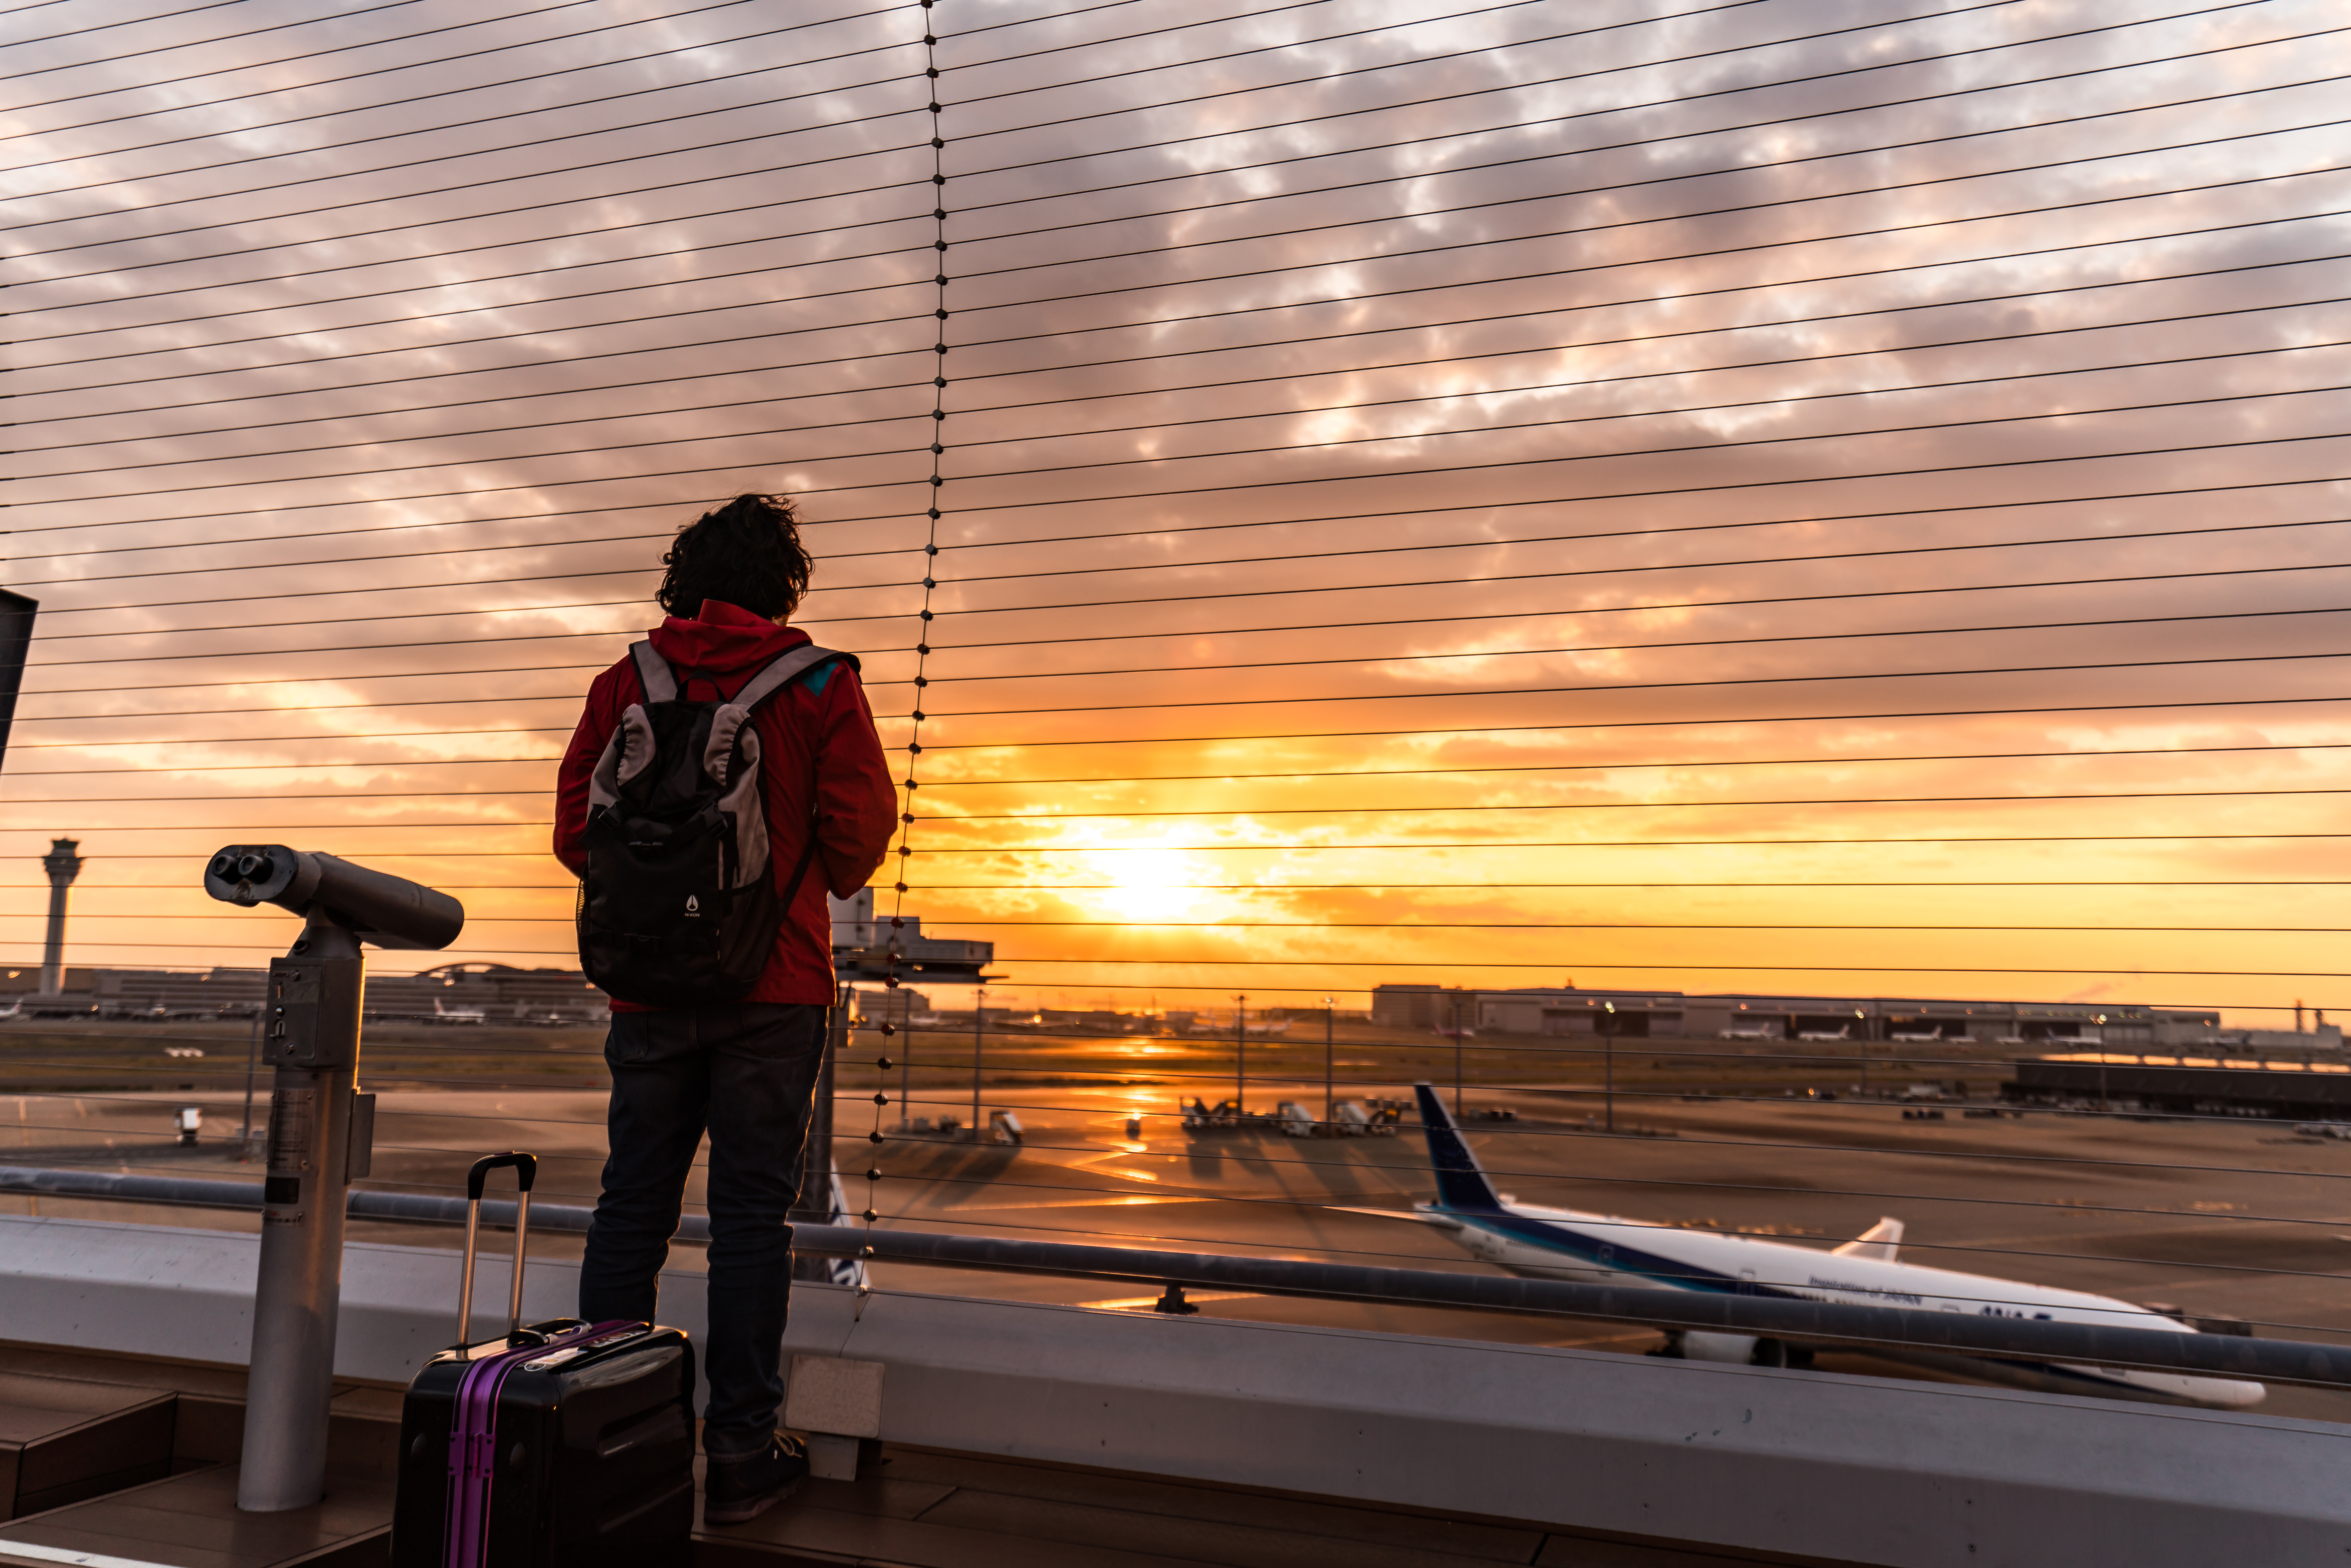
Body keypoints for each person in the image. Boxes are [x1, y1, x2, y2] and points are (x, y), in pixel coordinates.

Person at [554, 493, 895, 1523]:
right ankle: (742, 1451)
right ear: (784, 587)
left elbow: (578, 832)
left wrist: (661, 895)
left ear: (681, 580)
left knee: (630, 1211)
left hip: (647, 989)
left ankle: (605, 1436)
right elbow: (857, 841)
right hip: (774, 987)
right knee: (751, 1221)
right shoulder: (822, 683)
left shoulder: (627, 680)